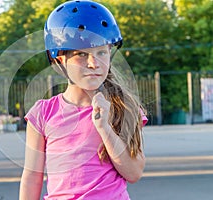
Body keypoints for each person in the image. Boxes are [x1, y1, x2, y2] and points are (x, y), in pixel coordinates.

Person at [19, 0, 148, 199]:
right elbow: (32, 177)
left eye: (101, 52)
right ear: (59, 60)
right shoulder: (43, 113)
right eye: (81, 54)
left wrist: (105, 127)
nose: (93, 63)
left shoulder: (124, 106)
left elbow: (134, 172)